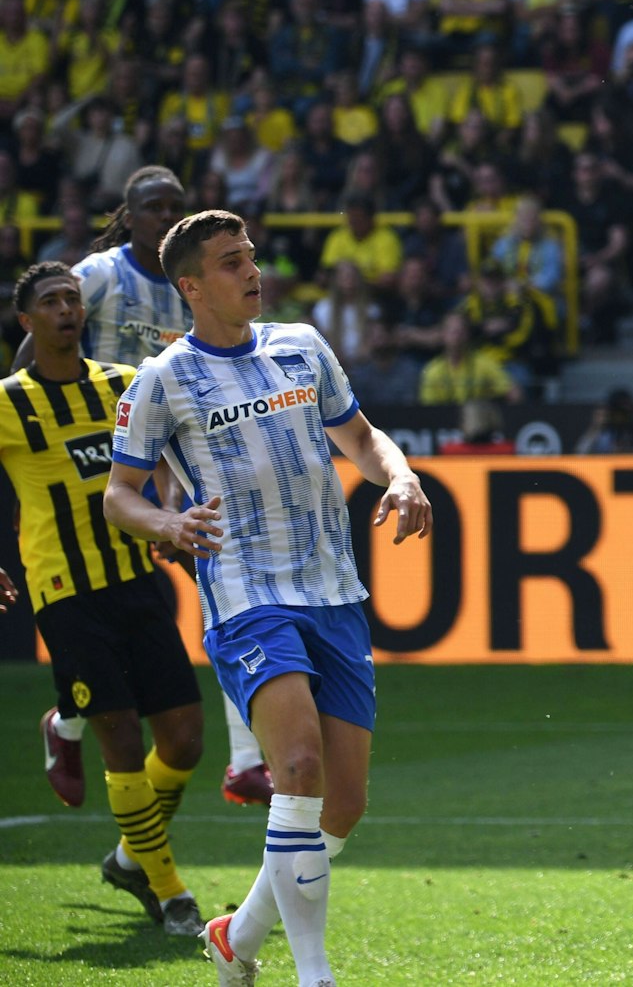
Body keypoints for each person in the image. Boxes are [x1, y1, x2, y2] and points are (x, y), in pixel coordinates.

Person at [106, 209, 433, 986]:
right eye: (228, 262)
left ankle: (236, 936)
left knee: (343, 806)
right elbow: (120, 494)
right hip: (248, 592)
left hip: (333, 587)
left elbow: (360, 436)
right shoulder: (163, 378)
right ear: (189, 285)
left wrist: (404, 475)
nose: (250, 270)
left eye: (250, 255)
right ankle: (314, 975)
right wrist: (168, 520)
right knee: (297, 763)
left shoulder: (302, 345)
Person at [19, 166, 278, 810]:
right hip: (100, 460)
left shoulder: (189, 286)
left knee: (225, 580)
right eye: (154, 207)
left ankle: (245, 760)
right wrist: (37, 423)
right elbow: (40, 337)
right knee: (104, 605)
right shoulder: (102, 275)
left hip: (166, 454)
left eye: (176, 206)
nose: (166, 216)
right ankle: (70, 721)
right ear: (129, 216)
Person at [0, 262, 207, 937]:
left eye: (72, 299)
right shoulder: (9, 402)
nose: (66, 309)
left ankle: (128, 856)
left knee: (183, 738)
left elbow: (174, 451)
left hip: (134, 578)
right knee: (119, 729)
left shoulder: (123, 387)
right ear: (26, 322)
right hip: (65, 591)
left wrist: (171, 512)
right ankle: (170, 890)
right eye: (50, 302)